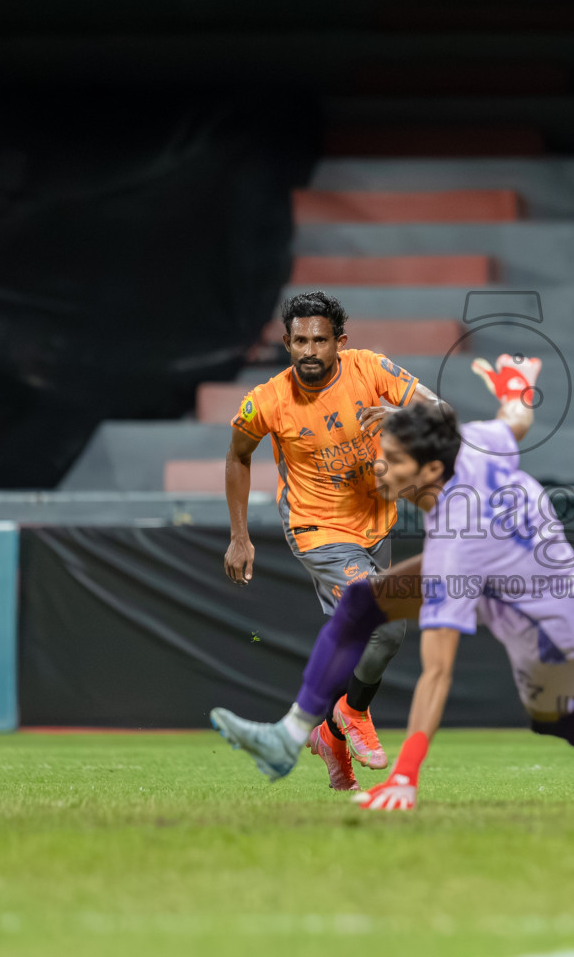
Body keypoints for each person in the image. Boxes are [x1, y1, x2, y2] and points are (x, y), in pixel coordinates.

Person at [209, 357, 574, 810]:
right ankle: (289, 736)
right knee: (363, 602)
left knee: (556, 720)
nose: (378, 464)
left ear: (431, 470)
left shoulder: (455, 548)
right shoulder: (476, 442)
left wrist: (405, 777)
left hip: (555, 628)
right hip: (513, 573)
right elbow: (516, 420)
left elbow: (437, 675)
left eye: (394, 458)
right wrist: (518, 385)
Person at [223, 290, 445, 791]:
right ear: (286, 343)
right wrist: (240, 537)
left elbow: (443, 412)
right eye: (298, 340)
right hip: (317, 529)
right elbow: (237, 456)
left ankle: (329, 738)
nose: (308, 351)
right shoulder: (266, 401)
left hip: (376, 521)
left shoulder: (369, 370)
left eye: (319, 341)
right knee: (386, 623)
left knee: (356, 643)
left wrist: (403, 419)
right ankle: (350, 713)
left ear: (339, 343)